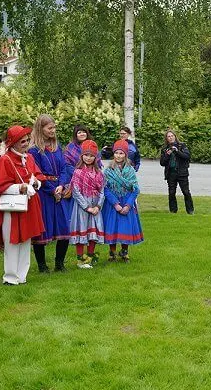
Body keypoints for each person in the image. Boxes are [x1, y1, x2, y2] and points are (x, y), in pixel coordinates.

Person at [0, 126, 45, 285]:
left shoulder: (29, 158)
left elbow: (37, 175)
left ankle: (22, 276)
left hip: (29, 205)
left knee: (26, 239)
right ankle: (10, 277)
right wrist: (19, 188)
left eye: (27, 140)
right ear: (13, 143)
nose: (26, 143)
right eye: (22, 141)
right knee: (12, 241)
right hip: (13, 207)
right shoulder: (5, 160)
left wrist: (36, 183)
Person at [29, 114, 72, 272]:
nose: (53, 130)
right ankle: (42, 266)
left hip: (59, 191)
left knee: (64, 228)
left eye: (54, 127)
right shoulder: (34, 151)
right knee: (42, 230)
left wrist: (61, 185)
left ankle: (59, 264)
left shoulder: (57, 147)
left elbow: (64, 169)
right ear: (41, 129)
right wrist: (51, 189)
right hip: (43, 192)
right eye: (50, 128)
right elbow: (36, 173)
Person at [102, 140, 143, 262]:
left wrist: (128, 205)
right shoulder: (108, 171)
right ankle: (112, 252)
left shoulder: (130, 171)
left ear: (126, 155)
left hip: (126, 201)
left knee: (125, 227)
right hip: (113, 203)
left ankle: (124, 251)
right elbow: (106, 189)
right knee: (112, 227)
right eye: (116, 153)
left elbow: (135, 189)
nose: (118, 156)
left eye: (121, 153)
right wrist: (115, 204)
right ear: (113, 154)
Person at [69, 140, 105, 269]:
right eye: (86, 155)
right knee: (81, 231)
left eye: (91, 156)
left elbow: (102, 191)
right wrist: (87, 207)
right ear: (82, 156)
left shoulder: (99, 173)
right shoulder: (78, 172)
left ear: (95, 157)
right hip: (82, 207)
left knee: (92, 232)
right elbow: (76, 191)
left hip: (95, 205)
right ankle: (80, 260)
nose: (88, 158)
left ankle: (90, 257)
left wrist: (98, 206)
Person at [159, 130, 194, 214]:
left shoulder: (182, 145)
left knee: (186, 192)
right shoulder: (164, 148)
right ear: (166, 138)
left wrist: (177, 151)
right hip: (171, 173)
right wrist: (167, 154)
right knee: (171, 192)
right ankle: (173, 211)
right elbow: (162, 163)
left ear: (175, 136)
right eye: (168, 136)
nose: (170, 138)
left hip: (182, 173)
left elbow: (187, 156)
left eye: (172, 136)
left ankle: (190, 210)